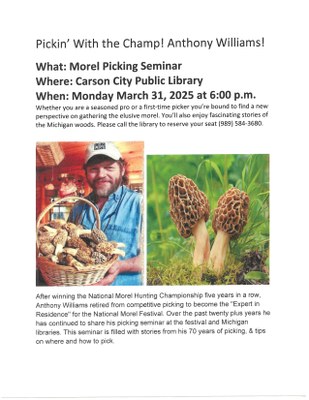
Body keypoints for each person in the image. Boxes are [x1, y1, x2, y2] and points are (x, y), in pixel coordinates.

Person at [68, 141, 143, 286]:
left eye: (109, 167)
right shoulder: (78, 207)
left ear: (122, 170)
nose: (101, 175)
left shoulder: (139, 204)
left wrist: (121, 266)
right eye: (94, 169)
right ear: (86, 173)